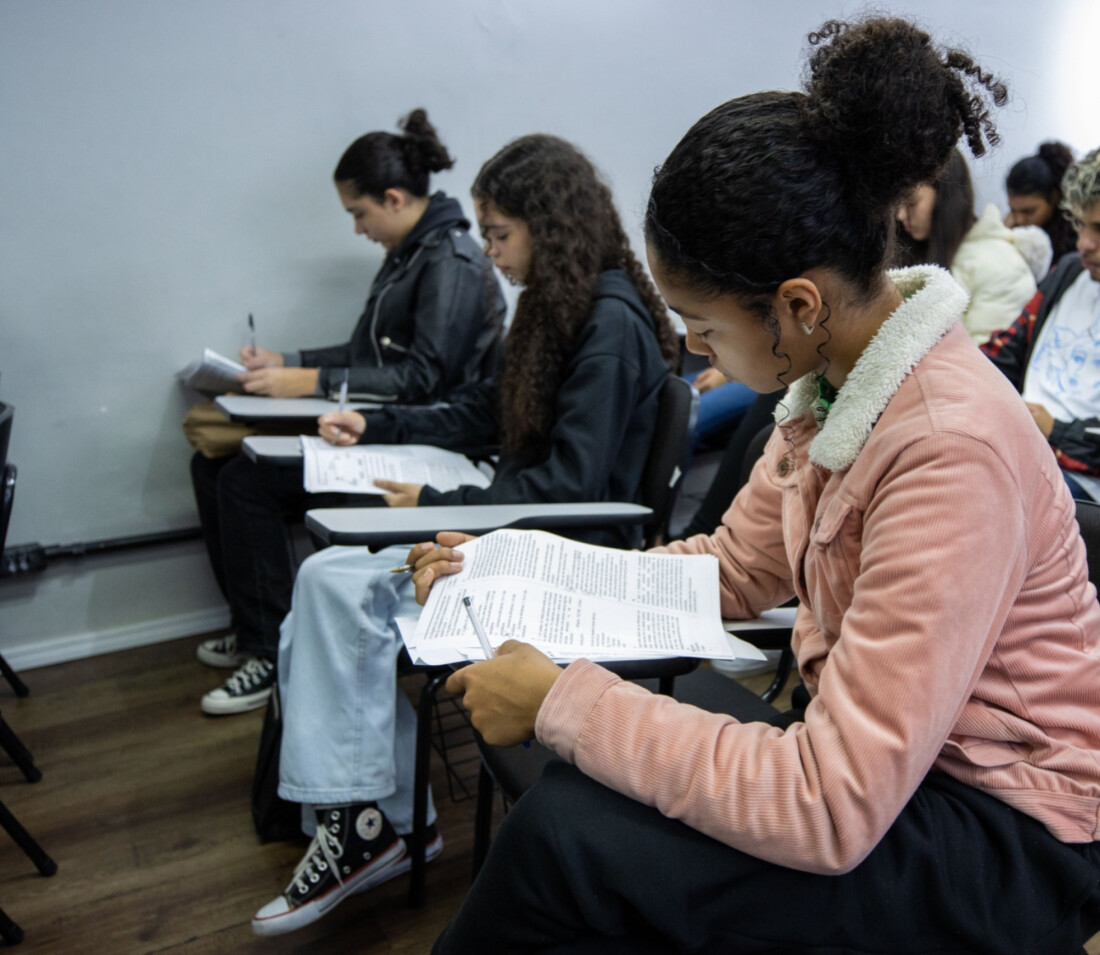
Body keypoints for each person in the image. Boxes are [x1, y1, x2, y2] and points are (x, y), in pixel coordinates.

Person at [419, 17, 1100, 954]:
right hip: (898, 771)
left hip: (1004, 828)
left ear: (797, 306)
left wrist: (557, 703)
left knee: (564, 840)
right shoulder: (834, 385)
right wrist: (512, 569)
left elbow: (828, 806)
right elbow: (726, 571)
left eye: (701, 324)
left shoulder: (947, 448)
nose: (694, 351)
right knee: (576, 811)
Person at [248, 134, 680, 936]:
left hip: (570, 559)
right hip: (527, 529)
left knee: (330, 582)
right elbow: (483, 408)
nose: (488, 251)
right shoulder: (558, 306)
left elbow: (570, 490)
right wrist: (379, 423)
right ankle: (376, 814)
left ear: (550, 228)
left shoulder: (608, 321)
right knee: (329, 578)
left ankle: (372, 821)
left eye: (499, 233)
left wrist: (435, 497)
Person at [191, 109, 504, 715]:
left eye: (359, 213)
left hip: (438, 444)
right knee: (213, 468)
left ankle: (270, 649)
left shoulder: (452, 262)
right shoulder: (408, 255)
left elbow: (423, 379)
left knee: (246, 482)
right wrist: (291, 360)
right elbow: (367, 354)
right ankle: (259, 624)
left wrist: (305, 379)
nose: (358, 229)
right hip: (397, 429)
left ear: (392, 198)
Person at [983, 146, 1100, 502]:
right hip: (1018, 446)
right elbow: (1003, 352)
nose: (1084, 244)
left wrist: (1055, 431)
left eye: (1098, 229)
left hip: (1075, 485)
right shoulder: (1069, 271)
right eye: (1080, 224)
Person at [896, 147, 1043, 343]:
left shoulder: (1001, 266)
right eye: (895, 204)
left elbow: (986, 363)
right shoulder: (918, 250)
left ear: (946, 198)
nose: (900, 215)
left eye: (911, 203)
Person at [1005, 140, 1078, 262]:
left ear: (1054, 197)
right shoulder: (1011, 230)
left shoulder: (1074, 245)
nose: (1019, 220)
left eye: (1028, 212)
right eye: (1013, 210)